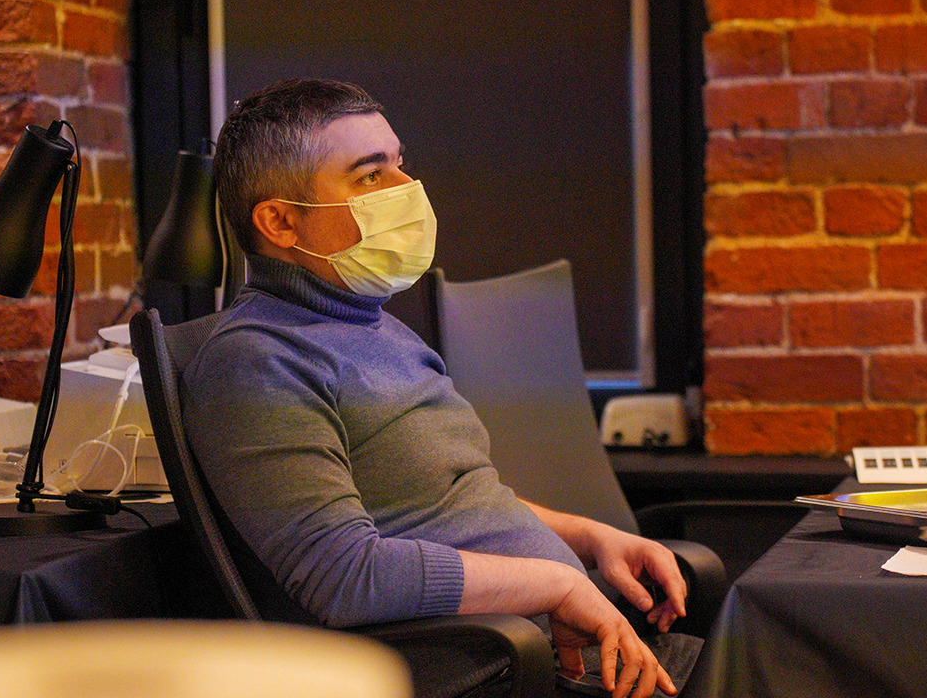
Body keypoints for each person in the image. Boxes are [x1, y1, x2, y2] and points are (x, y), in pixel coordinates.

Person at [184, 78, 693, 698]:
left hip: (558, 651)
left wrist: (589, 539)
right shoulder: (255, 360)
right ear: (281, 221)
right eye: (371, 175)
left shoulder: (376, 327)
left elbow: (448, 502)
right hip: (487, 668)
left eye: (400, 163)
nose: (408, 189)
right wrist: (555, 584)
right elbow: (343, 576)